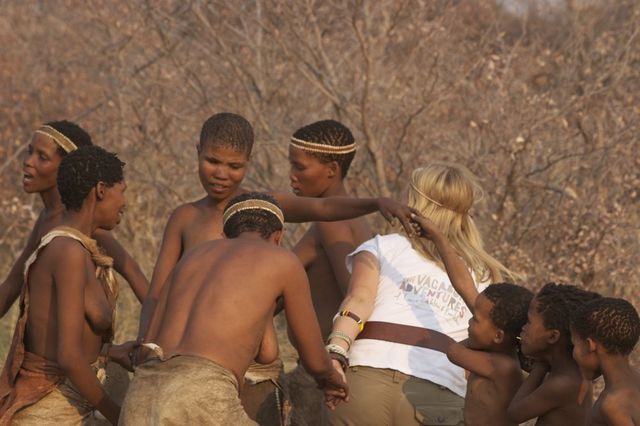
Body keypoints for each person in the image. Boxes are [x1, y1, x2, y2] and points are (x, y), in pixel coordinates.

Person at [137, 112, 411, 423]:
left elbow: (322, 207)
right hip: (190, 360)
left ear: (248, 163)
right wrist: (145, 346)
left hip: (254, 367)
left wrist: (376, 202)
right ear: (197, 151)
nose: (221, 174)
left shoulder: (260, 207)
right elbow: (156, 294)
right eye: (213, 161)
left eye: (234, 166)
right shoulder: (185, 217)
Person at [120, 192, 348, 426]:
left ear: (224, 235)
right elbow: (314, 361)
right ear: (278, 237)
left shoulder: (190, 259)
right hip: (201, 395)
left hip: (142, 395)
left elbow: (150, 343)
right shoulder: (283, 260)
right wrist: (332, 379)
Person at [326, 162, 515, 426]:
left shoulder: (383, 246)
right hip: (437, 392)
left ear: (416, 202)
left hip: (365, 378)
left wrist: (336, 353)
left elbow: (358, 301)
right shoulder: (484, 274)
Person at [0, 146, 135, 425]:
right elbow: (69, 356)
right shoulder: (67, 252)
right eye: (122, 191)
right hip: (49, 404)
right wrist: (120, 418)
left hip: (71, 393)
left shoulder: (78, 249)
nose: (124, 202)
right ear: (100, 190)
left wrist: (109, 353)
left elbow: (68, 341)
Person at [0, 120, 148, 320]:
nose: (28, 161)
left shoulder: (82, 226)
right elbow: (11, 286)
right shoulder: (46, 218)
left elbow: (135, 274)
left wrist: (155, 338)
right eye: (30, 151)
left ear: (66, 167)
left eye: (42, 157)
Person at [411, 211, 533, 426]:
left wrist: (475, 339)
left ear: (498, 336)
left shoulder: (502, 365)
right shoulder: (497, 348)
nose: (469, 322)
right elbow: (464, 285)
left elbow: (454, 352)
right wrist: (439, 239)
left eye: (475, 320)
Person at [287, 120, 372, 425]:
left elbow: (355, 292)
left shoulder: (332, 222)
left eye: (300, 167)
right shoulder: (347, 219)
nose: (291, 176)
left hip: (325, 373)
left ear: (332, 171)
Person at [508, 283, 601, 425]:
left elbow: (514, 414)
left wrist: (540, 366)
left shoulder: (563, 383)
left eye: (528, 322)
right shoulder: (568, 372)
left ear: (552, 337)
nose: (523, 328)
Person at [570, 297, 640, 426]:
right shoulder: (637, 376)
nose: (573, 353)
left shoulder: (612, 405)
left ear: (589, 345)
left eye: (574, 344)